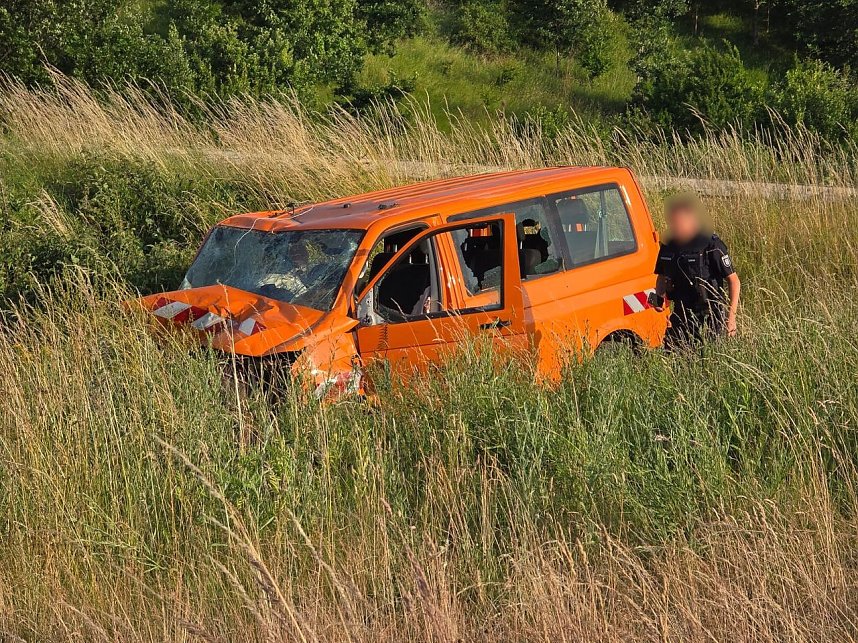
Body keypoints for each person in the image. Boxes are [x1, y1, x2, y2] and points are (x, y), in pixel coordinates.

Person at [653, 194, 741, 349]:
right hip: (682, 312)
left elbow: (734, 281)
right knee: (674, 355)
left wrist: (731, 318)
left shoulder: (711, 245)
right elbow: (661, 277)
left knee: (711, 357)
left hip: (710, 314)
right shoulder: (668, 247)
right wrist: (659, 298)